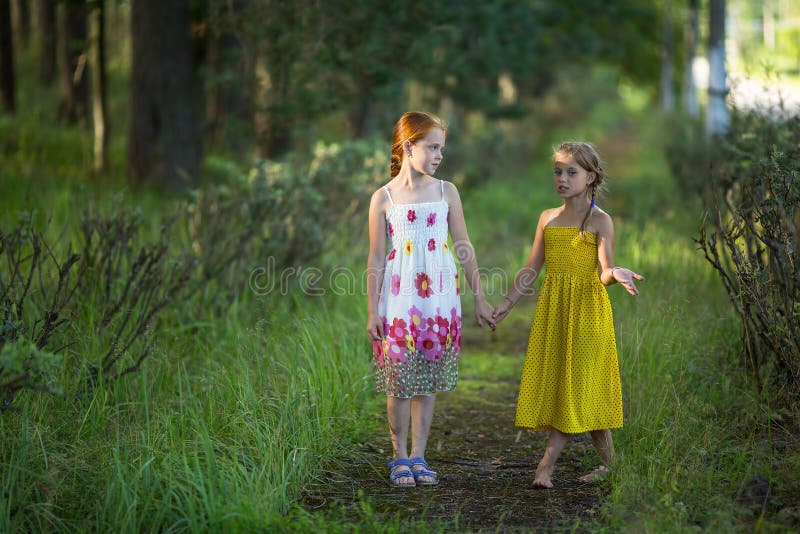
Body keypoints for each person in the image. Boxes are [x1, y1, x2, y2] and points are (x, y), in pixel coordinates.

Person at [492, 141, 644, 488]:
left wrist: (615, 274)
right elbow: (532, 268)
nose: (562, 178)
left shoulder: (600, 221)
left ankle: (545, 466)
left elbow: (604, 270)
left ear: (590, 176)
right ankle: (613, 466)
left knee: (574, 387)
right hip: (554, 312)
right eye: (557, 171)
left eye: (571, 172)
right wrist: (506, 304)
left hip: (588, 314)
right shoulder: (548, 218)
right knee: (577, 388)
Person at [366, 111, 495, 488]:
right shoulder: (383, 198)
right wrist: (371, 308)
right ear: (408, 146)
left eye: (442, 147)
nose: (439, 154)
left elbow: (463, 245)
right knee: (400, 380)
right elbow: (375, 258)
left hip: (438, 300)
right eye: (432, 147)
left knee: (426, 380)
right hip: (400, 299)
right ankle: (398, 456)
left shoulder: (446, 191)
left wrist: (479, 297)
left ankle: (419, 455)